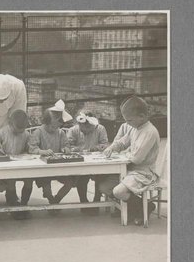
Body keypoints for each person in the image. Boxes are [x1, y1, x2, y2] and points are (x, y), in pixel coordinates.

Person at [100, 96, 160, 225]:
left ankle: (144, 207)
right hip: (130, 169)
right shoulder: (135, 127)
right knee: (104, 187)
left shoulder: (149, 132)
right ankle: (130, 208)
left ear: (142, 116)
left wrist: (126, 153)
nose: (127, 123)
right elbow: (123, 142)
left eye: (129, 120)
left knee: (118, 191)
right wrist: (112, 147)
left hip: (144, 172)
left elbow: (137, 159)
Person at [28, 104, 75, 205]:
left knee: (70, 183)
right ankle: (50, 198)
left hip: (58, 167)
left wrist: (66, 149)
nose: (54, 129)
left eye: (57, 126)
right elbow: (31, 149)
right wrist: (42, 151)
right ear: (46, 122)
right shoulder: (38, 132)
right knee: (46, 186)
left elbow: (66, 145)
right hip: (43, 169)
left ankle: (56, 199)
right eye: (53, 126)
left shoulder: (60, 133)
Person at [68, 111, 110, 213]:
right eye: (84, 127)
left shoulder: (100, 129)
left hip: (97, 161)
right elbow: (67, 146)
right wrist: (78, 149)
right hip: (80, 162)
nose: (87, 130)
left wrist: (95, 148)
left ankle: (97, 200)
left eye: (90, 127)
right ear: (79, 124)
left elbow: (105, 144)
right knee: (82, 177)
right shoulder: (73, 130)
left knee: (100, 176)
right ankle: (83, 202)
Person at [0, 109, 33, 208]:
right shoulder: (1, 133)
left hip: (21, 165)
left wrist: (28, 151)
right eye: (17, 129)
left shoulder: (26, 135)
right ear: (10, 124)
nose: (20, 131)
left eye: (22, 129)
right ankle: (13, 204)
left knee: (29, 180)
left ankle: (24, 204)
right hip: (6, 167)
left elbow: (29, 150)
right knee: (11, 180)